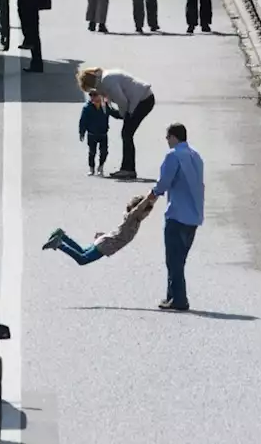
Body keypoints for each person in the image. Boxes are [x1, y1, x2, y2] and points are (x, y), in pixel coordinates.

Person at [153, 123, 204, 311]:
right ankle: (171, 296)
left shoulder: (173, 155)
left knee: (172, 260)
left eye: (167, 137)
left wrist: (151, 196)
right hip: (194, 216)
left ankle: (180, 299)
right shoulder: (196, 156)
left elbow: (163, 183)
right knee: (179, 259)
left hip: (176, 214)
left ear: (174, 137)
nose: (166, 141)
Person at [78, 66, 156, 180]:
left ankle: (128, 170)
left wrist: (125, 115)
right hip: (142, 98)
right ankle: (127, 169)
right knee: (127, 133)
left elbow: (122, 101)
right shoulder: (105, 78)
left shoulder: (106, 81)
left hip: (143, 100)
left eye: (90, 89)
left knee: (126, 134)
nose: (93, 92)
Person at [43, 192, 157, 264]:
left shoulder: (133, 220)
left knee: (82, 252)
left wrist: (157, 194)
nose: (146, 215)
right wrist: (148, 198)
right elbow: (138, 209)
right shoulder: (132, 218)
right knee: (83, 260)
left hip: (106, 240)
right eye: (146, 213)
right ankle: (59, 243)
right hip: (107, 245)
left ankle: (62, 236)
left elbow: (120, 231)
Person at [78, 90, 122, 175]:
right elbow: (83, 121)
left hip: (103, 134)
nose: (93, 97)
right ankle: (91, 168)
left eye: (95, 95)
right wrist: (82, 132)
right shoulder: (87, 108)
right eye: (91, 95)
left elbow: (115, 114)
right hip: (92, 134)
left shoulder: (105, 106)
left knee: (104, 152)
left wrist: (124, 115)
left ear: (100, 96)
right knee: (92, 152)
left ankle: (101, 167)